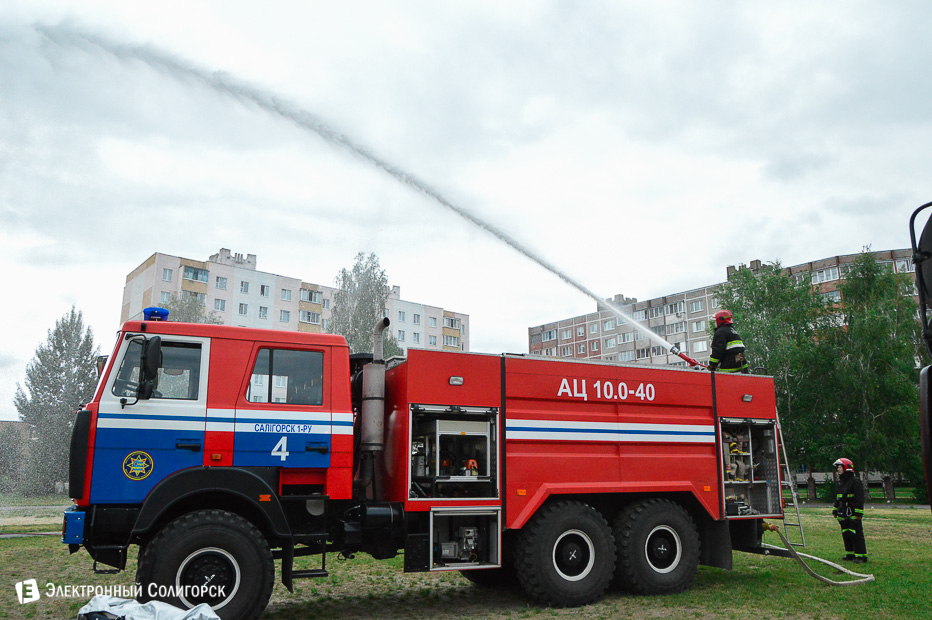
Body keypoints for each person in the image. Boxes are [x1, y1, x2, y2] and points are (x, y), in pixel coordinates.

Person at [832, 457, 868, 563]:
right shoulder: (842, 482)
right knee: (846, 533)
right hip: (843, 511)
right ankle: (850, 554)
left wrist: (858, 514)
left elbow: (859, 499)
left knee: (856, 534)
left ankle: (861, 556)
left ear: (846, 468)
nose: (838, 469)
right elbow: (838, 497)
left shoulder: (855, 482)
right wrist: (835, 510)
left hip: (852, 512)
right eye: (838, 467)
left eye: (840, 467)